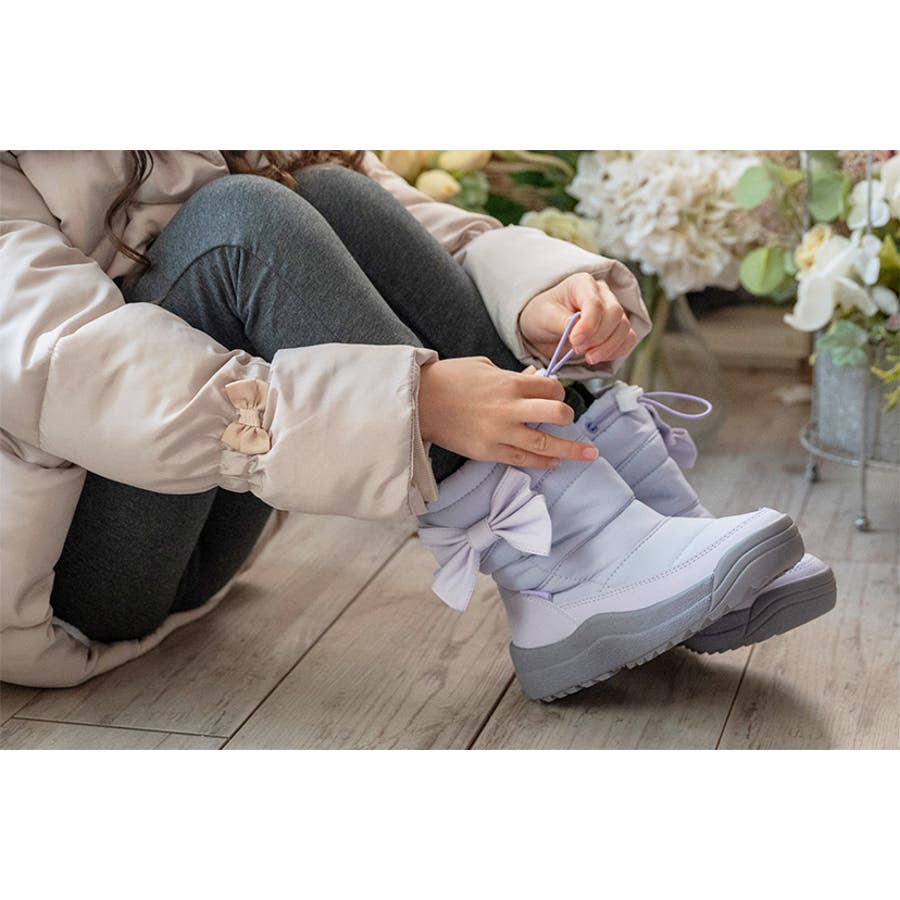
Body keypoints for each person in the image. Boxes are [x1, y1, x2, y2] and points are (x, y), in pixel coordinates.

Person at [0, 151, 832, 699]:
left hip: (203, 519)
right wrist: (411, 403)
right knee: (241, 224)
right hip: (72, 579)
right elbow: (76, 370)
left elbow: (389, 220)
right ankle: (565, 557)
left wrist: (534, 293)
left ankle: (619, 523)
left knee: (323, 187)